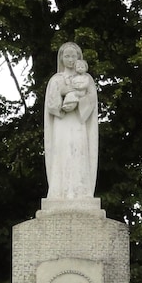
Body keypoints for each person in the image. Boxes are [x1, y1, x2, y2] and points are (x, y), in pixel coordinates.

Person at [43, 42, 98, 200]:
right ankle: (59, 192)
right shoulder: (56, 79)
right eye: (66, 56)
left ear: (79, 58)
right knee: (62, 153)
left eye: (73, 56)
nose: (70, 59)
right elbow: (51, 105)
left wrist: (79, 97)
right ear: (61, 58)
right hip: (62, 124)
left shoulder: (86, 79)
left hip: (79, 123)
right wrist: (62, 95)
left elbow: (92, 101)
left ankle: (80, 191)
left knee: (78, 152)